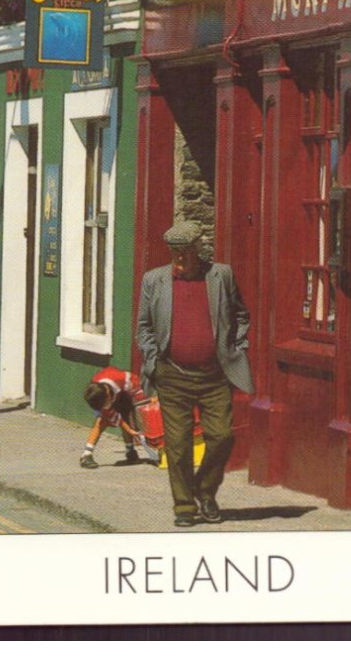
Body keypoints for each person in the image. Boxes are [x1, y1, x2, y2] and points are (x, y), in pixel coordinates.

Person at [136, 220, 254, 527]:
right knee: (178, 445)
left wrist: (237, 347)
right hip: (172, 375)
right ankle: (184, 506)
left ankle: (205, 489)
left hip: (215, 375)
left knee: (222, 436)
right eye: (175, 253)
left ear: (198, 251)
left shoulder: (221, 276)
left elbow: (241, 314)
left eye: (185, 253)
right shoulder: (155, 280)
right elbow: (144, 327)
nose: (179, 260)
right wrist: (153, 358)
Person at [79, 366, 144, 468]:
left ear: (108, 394)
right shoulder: (96, 393)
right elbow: (117, 419)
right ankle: (86, 455)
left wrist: (141, 407)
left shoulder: (124, 379)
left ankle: (130, 451)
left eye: (106, 404)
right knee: (101, 422)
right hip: (112, 392)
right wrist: (130, 430)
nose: (105, 406)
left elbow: (138, 389)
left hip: (124, 392)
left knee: (125, 416)